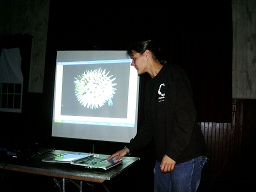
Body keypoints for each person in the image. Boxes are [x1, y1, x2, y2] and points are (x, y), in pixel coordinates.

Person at [107, 39, 207, 192]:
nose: (132, 64)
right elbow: (149, 126)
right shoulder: (150, 86)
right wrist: (127, 149)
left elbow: (187, 119)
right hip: (163, 159)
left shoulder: (174, 74)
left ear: (146, 54)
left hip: (185, 158)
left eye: (134, 58)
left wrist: (172, 154)